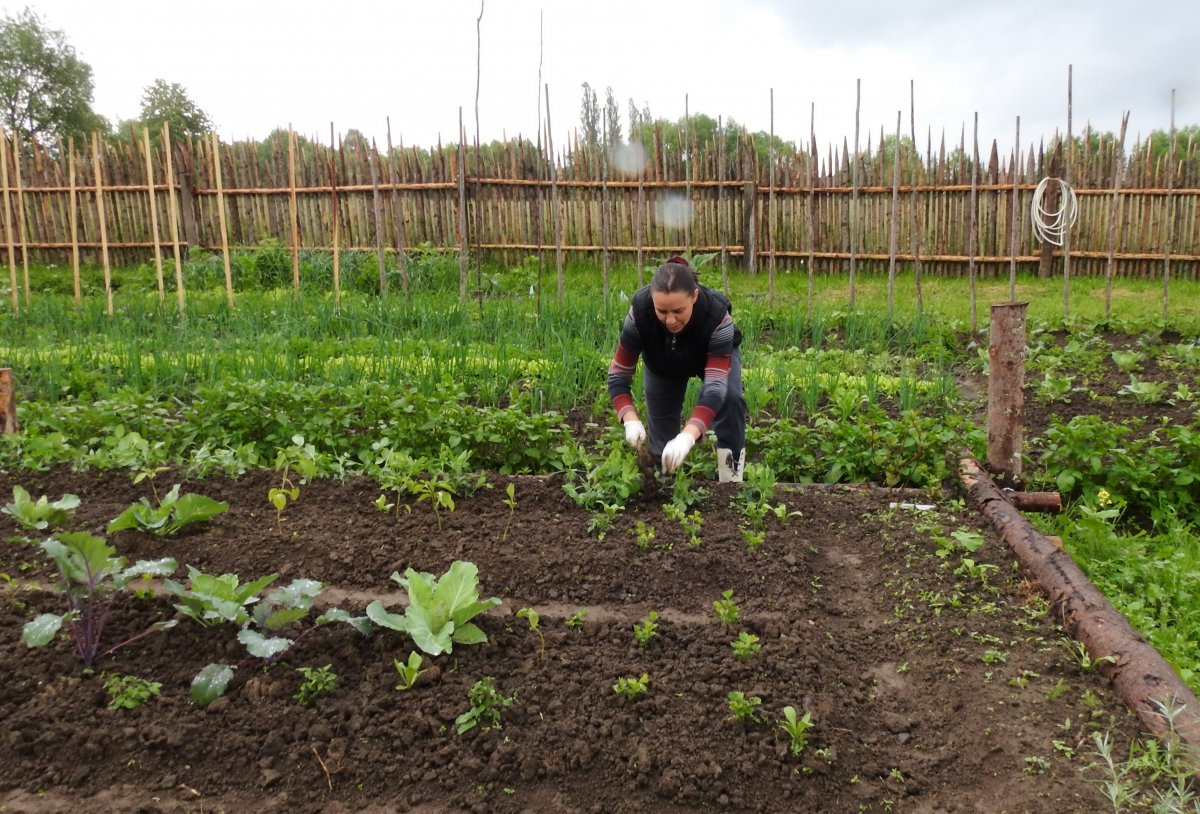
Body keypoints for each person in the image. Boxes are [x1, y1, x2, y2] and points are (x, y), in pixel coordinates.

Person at [608, 257, 747, 482]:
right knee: (662, 435)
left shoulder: (717, 316)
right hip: (662, 360)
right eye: (662, 311)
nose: (670, 320)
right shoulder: (639, 314)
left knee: (730, 398)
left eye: (678, 311)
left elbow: (715, 389)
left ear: (694, 296)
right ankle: (666, 484)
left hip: (709, 355)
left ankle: (731, 480)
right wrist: (629, 418)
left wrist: (689, 436)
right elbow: (618, 375)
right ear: (652, 299)